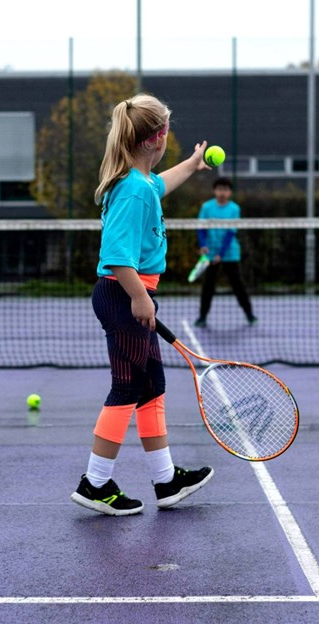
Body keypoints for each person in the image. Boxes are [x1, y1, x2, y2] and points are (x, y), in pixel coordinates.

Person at [71, 93, 215, 516]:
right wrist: (139, 299)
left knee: (152, 386)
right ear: (158, 137)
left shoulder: (140, 182)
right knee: (130, 387)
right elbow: (116, 257)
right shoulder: (133, 190)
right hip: (123, 295)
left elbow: (161, 184)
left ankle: (165, 481)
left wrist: (192, 164)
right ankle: (95, 483)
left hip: (130, 295)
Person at [193, 177, 256, 327]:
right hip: (210, 253)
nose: (222, 192)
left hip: (229, 254)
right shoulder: (207, 207)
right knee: (208, 286)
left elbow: (230, 233)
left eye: (226, 190)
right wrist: (203, 245)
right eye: (220, 189)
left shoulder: (234, 209)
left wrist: (220, 254)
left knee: (238, 286)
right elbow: (201, 228)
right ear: (215, 191)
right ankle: (202, 317)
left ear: (230, 192)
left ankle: (249, 314)